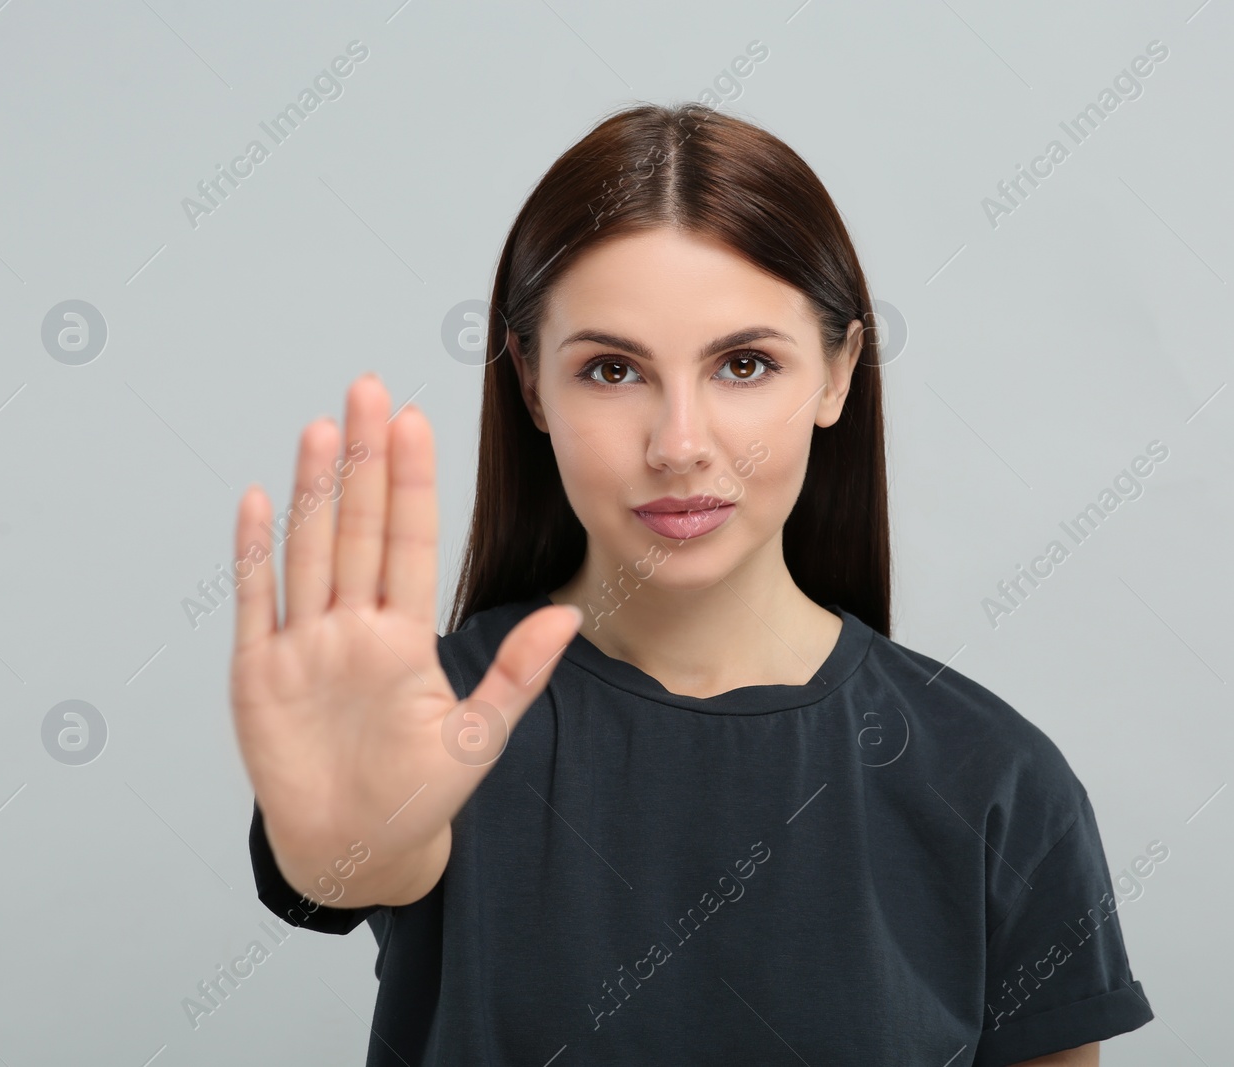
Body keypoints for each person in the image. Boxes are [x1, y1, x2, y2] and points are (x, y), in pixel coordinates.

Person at [229, 102, 1154, 1066]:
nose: (679, 445)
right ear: (533, 385)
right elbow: (356, 856)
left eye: (745, 364)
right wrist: (345, 855)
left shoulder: (998, 780)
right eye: (613, 369)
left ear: (839, 372)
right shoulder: (427, 723)